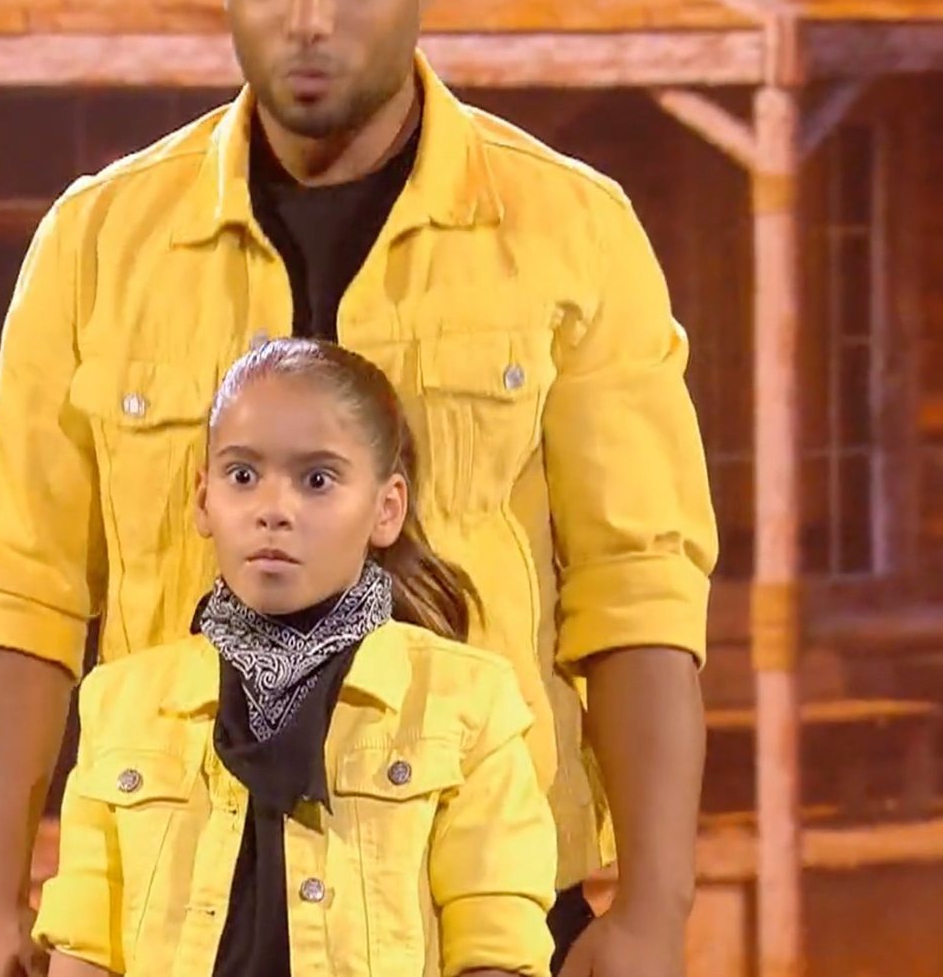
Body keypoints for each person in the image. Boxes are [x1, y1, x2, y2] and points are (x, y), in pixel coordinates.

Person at [0, 0, 717, 977]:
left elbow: (638, 583)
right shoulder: (96, 244)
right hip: (170, 923)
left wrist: (652, 907)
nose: (307, 18)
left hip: (484, 920)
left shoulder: (570, 230)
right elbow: (18, 589)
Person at [33, 338, 557, 977]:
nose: (273, 511)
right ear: (203, 498)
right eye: (242, 476)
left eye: (316, 480)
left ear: (386, 509)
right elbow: (85, 947)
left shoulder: (466, 705)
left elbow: (497, 949)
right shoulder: (121, 704)